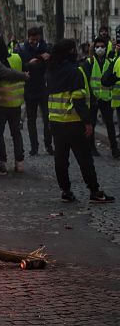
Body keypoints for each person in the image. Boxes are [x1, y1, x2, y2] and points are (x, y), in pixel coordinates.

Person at [47, 39, 113, 203]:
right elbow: (78, 99)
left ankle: (65, 191)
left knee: (61, 159)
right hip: (74, 121)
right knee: (85, 159)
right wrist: (87, 122)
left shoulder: (51, 71)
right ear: (70, 51)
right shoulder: (75, 71)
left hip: (55, 121)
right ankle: (94, 191)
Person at [0, 36, 26, 173]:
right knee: (16, 133)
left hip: (1, 102)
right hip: (16, 102)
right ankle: (19, 162)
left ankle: (2, 160)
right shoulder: (17, 57)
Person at [18, 27, 54, 156]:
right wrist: (29, 64)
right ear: (28, 38)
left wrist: (48, 58)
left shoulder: (45, 47)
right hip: (30, 87)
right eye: (32, 40)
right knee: (31, 120)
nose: (34, 42)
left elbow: (52, 65)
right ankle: (34, 147)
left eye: (36, 40)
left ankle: (48, 145)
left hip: (43, 87)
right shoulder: (22, 49)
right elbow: (21, 67)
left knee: (47, 118)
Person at [83, 36, 119, 158]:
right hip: (93, 99)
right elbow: (86, 81)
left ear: (105, 48)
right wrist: (91, 96)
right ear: (94, 48)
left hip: (106, 98)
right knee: (92, 124)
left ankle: (114, 149)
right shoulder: (89, 62)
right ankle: (91, 147)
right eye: (97, 46)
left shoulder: (110, 62)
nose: (100, 49)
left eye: (102, 46)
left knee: (110, 124)